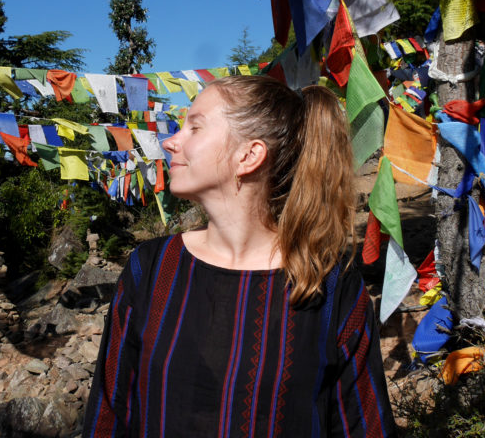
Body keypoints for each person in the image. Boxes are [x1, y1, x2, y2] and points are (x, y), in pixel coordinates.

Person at [83, 75, 397, 437]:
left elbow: (364, 426)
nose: (170, 142)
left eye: (195, 128)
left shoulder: (331, 286)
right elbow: (108, 415)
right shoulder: (151, 269)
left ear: (248, 155)